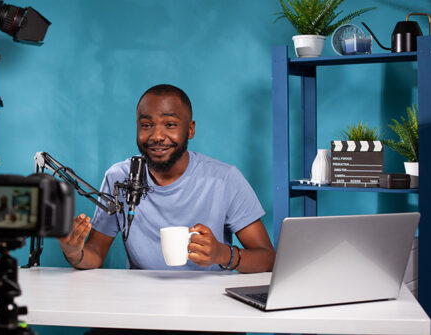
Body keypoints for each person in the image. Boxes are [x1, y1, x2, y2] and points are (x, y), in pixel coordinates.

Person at [59, 84, 275, 273]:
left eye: (170, 125)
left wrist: (222, 254)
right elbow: (95, 253)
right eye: (146, 125)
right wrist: (74, 252)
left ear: (190, 130)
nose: (157, 136)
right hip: (143, 304)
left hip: (209, 306)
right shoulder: (119, 177)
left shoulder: (225, 179)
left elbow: (268, 259)